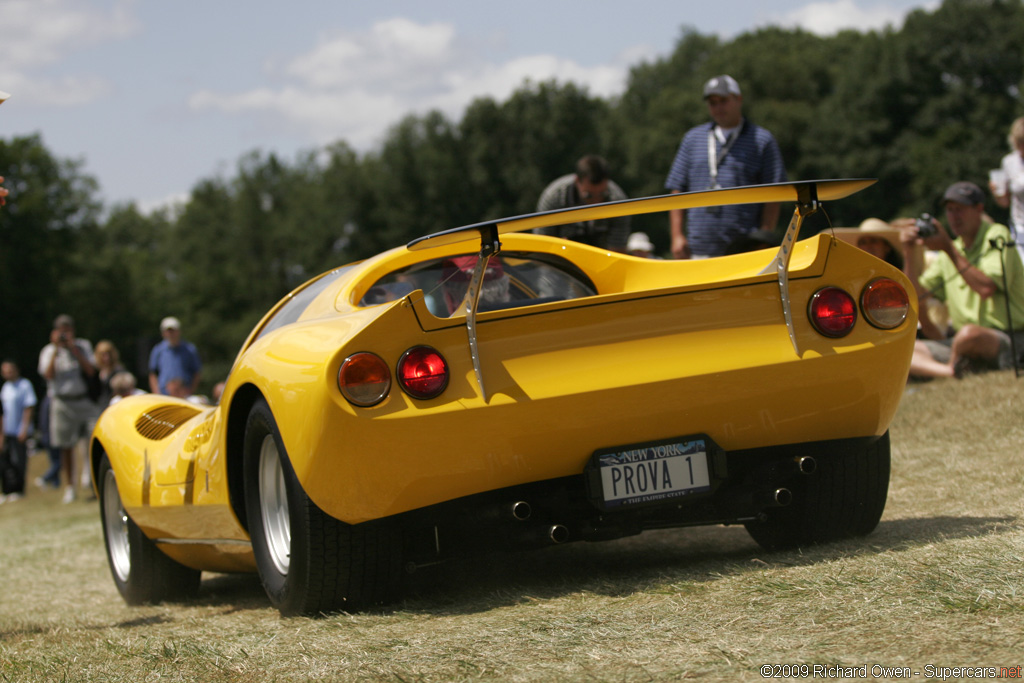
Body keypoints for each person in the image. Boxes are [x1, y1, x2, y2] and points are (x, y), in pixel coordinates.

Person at [895, 181, 1024, 379]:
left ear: (979, 209)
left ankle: (949, 368)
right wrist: (909, 252)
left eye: (960, 209)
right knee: (901, 349)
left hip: (1008, 337)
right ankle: (951, 371)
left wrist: (948, 248)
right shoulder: (952, 249)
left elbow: (986, 288)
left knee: (969, 335)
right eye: (949, 210)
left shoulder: (996, 234)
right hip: (961, 343)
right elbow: (915, 296)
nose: (954, 216)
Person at [665, 75, 787, 259]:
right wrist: (677, 236)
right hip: (698, 249)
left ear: (738, 99)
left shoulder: (761, 140)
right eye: (712, 103)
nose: (718, 108)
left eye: (723, 101)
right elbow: (677, 189)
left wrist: (765, 234)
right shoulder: (692, 139)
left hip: (745, 249)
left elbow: (775, 191)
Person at [37, 314, 101, 503]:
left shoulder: (83, 346)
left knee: (94, 441)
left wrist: (74, 349)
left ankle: (94, 483)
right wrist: (57, 349)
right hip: (62, 402)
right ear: (55, 332)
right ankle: (70, 487)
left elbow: (91, 370)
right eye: (61, 330)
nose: (64, 334)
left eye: (67, 330)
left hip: (84, 401)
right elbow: (47, 374)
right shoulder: (49, 351)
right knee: (65, 446)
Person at [535, 155, 630, 251]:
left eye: (602, 194)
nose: (596, 203)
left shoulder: (618, 203)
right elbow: (541, 245)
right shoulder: (555, 197)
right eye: (589, 195)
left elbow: (617, 249)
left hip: (603, 260)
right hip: (559, 258)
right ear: (577, 181)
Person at [1, 359, 37, 502]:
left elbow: (29, 407)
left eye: (10, 370)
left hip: (19, 430)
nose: (8, 373)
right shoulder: (5, 388)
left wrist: (24, 428)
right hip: (7, 431)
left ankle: (19, 490)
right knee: (6, 461)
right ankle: (7, 490)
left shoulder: (24, 385)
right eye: (5, 371)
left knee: (19, 461)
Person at [990, 116, 1024, 264]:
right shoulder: (1009, 162)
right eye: (1020, 142)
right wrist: (995, 191)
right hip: (1020, 227)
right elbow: (1004, 202)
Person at [149, 317, 202, 396]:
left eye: (173, 331)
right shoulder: (158, 350)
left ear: (179, 331)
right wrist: (156, 392)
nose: (171, 334)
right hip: (164, 393)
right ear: (163, 333)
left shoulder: (190, 349)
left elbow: (197, 372)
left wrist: (191, 391)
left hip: (184, 393)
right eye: (168, 331)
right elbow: (152, 373)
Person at [93, 340, 125, 409]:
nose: (106, 358)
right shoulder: (95, 371)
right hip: (98, 406)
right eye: (103, 355)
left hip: (114, 405)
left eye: (108, 354)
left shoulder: (118, 370)